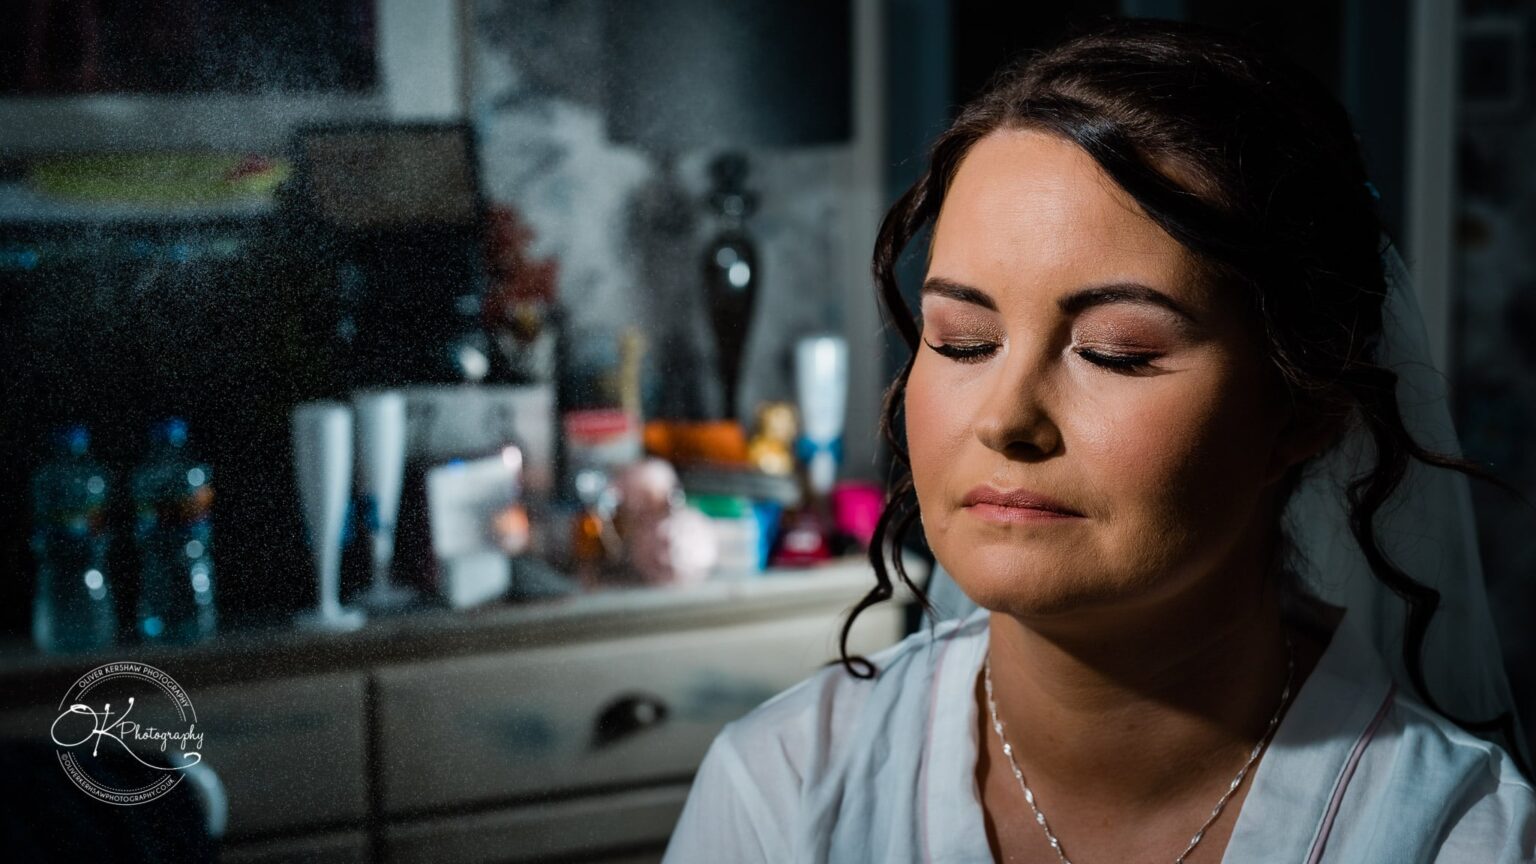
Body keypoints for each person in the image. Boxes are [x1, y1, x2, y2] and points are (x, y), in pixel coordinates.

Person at [662, 17, 1535, 864]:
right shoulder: (782, 793)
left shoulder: (1464, 837)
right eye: (963, 341)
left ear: (1305, 408)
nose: (1006, 420)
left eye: (1114, 352)